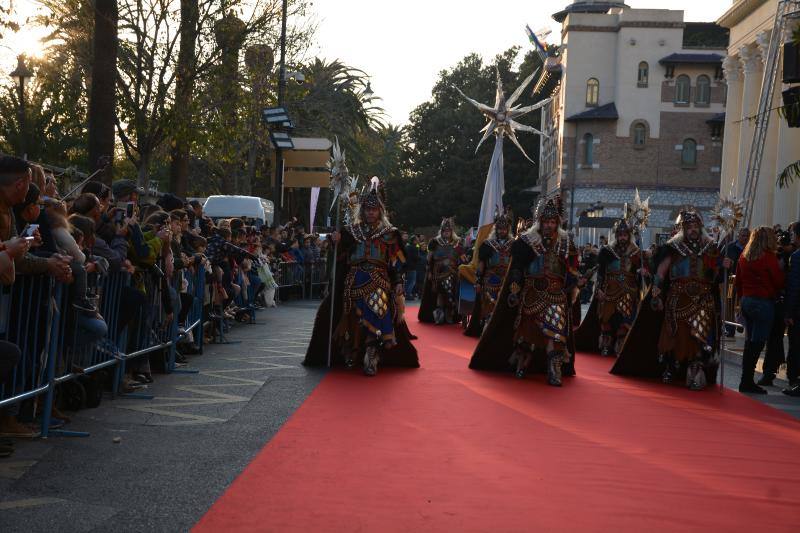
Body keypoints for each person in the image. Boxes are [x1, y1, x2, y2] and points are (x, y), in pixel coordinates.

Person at [303, 177, 418, 376]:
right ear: (362, 211)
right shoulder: (351, 231)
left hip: (381, 277)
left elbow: (396, 262)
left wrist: (398, 282)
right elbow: (338, 254)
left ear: (380, 211)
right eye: (367, 209)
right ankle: (351, 348)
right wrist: (334, 240)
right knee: (350, 313)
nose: (370, 213)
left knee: (380, 302)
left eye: (374, 210)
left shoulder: (390, 234)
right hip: (354, 278)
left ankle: (372, 350)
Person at [469, 195, 584, 387]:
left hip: (556, 295)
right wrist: (514, 287)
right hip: (531, 293)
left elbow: (570, 270)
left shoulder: (566, 243)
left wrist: (575, 284)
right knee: (527, 336)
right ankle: (522, 363)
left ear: (558, 222)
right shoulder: (526, 242)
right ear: (540, 222)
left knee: (556, 334)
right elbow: (517, 269)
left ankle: (554, 369)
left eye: (552, 221)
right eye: (546, 221)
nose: (549, 225)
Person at [650, 209, 721, 391]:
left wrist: (723, 266)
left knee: (699, 337)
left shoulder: (710, 248)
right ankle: (669, 368)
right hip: (678, 298)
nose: (693, 230)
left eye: (696, 226)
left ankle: (696, 373)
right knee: (674, 335)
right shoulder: (673, 247)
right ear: (683, 228)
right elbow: (661, 272)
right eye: (689, 226)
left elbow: (714, 276)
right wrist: (656, 290)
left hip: (703, 299)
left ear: (701, 227)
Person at [734, 227, 785, 394]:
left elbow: (738, 281)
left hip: (747, 300)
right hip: (763, 301)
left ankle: (744, 379)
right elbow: (778, 281)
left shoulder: (744, 256)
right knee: (758, 342)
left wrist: (741, 300)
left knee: (750, 342)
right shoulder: (769, 257)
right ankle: (747, 381)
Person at [465, 210, 513, 338]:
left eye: (504, 229)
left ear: (508, 229)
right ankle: (487, 330)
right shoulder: (487, 244)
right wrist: (478, 280)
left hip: (507, 280)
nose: (502, 232)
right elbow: (481, 264)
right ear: (496, 229)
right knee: (489, 306)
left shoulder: (514, 244)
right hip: (490, 279)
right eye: (499, 229)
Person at [419, 218, 463, 325]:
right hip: (437, 273)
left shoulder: (457, 243)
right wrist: (429, 271)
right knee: (439, 293)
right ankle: (439, 315)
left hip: (453, 273)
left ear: (452, 231)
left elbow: (462, 258)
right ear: (441, 231)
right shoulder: (435, 242)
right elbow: (429, 259)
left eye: (448, 230)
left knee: (451, 293)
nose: (446, 232)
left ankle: (450, 313)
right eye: (444, 230)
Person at [722, 228, 750, 337]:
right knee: (729, 301)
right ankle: (729, 328)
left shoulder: (750, 248)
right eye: (743, 235)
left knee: (743, 302)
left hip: (744, 279)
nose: (745, 238)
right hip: (731, 279)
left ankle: (740, 323)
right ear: (738, 236)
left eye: (747, 236)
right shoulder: (730, 247)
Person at [783, 222, 800, 396]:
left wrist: (789, 312)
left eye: (793, 234)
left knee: (796, 347)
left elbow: (794, 286)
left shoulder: (796, 256)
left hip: (798, 312)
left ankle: (795, 381)